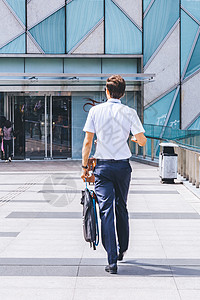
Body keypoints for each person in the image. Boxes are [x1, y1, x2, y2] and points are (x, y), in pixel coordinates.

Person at [81, 75, 147, 274]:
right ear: (123, 93)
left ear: (106, 91)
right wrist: (133, 140)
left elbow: (87, 142)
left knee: (106, 211)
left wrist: (85, 168)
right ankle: (122, 248)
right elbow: (142, 141)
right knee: (121, 207)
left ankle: (111, 260)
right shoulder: (129, 112)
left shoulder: (95, 111)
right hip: (123, 167)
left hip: (102, 168)